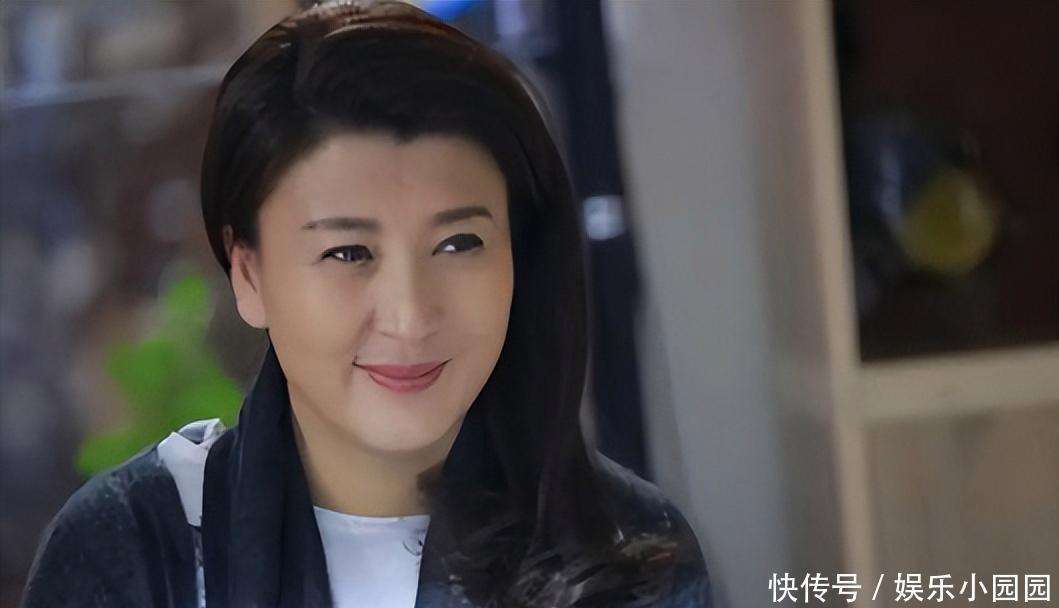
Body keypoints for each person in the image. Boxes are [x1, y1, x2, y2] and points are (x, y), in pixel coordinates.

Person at [22, 1, 713, 606]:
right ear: (248, 274)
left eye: (458, 244)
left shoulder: (626, 547)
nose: (410, 316)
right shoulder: (135, 551)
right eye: (348, 253)